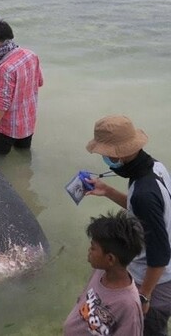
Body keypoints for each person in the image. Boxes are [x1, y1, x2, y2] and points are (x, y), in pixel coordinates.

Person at [85, 114, 171, 335]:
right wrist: (108, 191)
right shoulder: (154, 168)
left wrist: (144, 295)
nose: (104, 158)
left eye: (105, 154)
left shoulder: (144, 193)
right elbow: (145, 212)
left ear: (119, 155)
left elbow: (160, 254)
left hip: (156, 281)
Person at [64, 210, 144, 335]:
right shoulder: (100, 271)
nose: (89, 250)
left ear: (110, 259)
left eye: (93, 247)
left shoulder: (128, 306)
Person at [0, 19, 43, 155]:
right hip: (27, 123)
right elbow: (39, 82)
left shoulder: (5, 68)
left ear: (4, 42)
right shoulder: (31, 55)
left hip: (6, 128)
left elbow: (3, 103)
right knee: (23, 157)